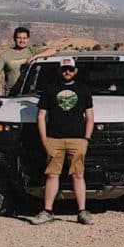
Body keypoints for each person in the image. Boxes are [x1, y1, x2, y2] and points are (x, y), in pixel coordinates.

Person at [29, 57, 95, 225]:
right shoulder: (50, 89)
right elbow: (41, 116)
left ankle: (82, 211)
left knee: (78, 174)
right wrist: (44, 139)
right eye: (65, 69)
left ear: (76, 71)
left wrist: (86, 139)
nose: (68, 72)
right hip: (54, 138)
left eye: (71, 69)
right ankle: (48, 210)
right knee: (52, 175)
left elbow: (90, 116)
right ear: (59, 71)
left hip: (77, 139)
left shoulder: (84, 90)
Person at [0, 26, 55, 96]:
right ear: (14, 39)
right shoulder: (5, 55)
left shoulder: (32, 51)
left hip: (30, 92)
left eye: (24, 38)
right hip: (11, 93)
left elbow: (52, 51)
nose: (22, 41)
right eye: (19, 38)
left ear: (28, 39)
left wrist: (35, 56)